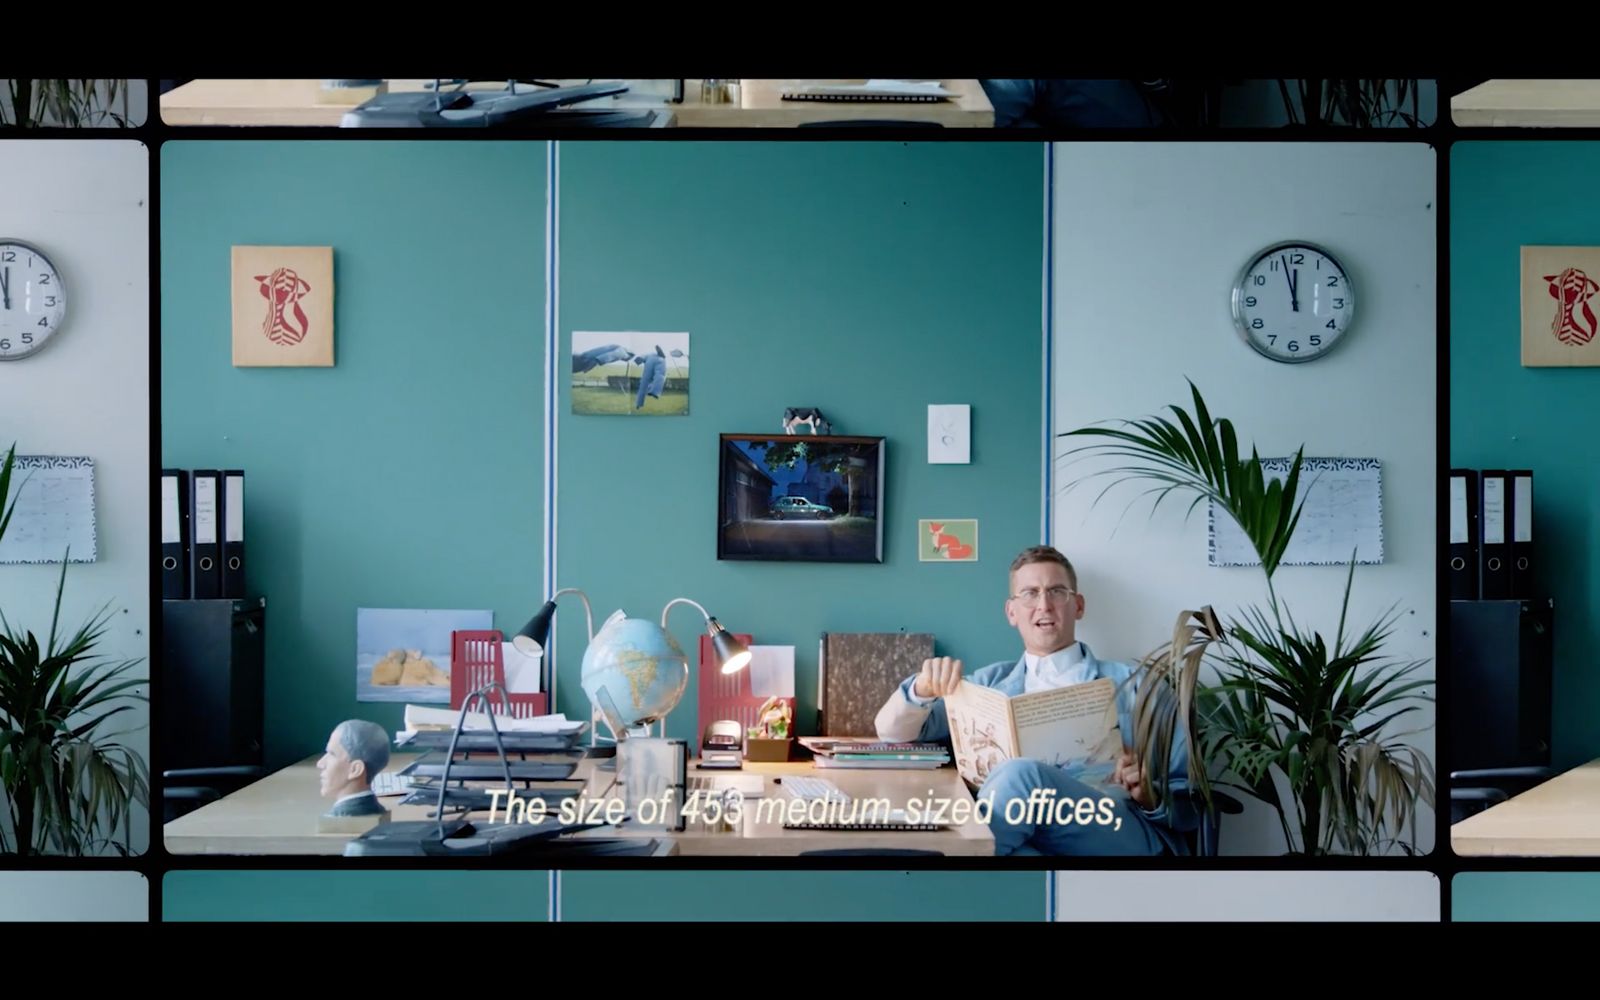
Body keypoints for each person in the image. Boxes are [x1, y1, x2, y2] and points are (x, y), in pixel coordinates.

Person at [874, 545, 1199, 855]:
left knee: (1021, 776)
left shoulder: (1138, 685)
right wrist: (922, 687)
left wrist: (1149, 793)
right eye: (1030, 593)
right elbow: (892, 732)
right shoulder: (988, 686)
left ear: (1079, 605)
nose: (1044, 605)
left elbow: (1192, 800)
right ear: (1011, 612)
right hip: (1021, 835)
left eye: (1057, 592)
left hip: (1118, 830)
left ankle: (947, 865)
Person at [317, 719, 392, 817]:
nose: (320, 763)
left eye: (332, 754)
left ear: (355, 770)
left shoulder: (338, 818)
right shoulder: (376, 809)